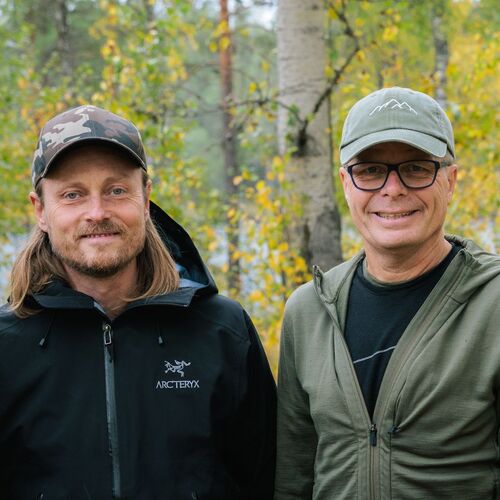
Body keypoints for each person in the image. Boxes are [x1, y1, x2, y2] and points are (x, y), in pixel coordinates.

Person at [0, 105, 276, 499]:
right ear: (41, 210)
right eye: (73, 195)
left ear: (145, 199)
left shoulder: (222, 332)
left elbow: (268, 481)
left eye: (116, 190)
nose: (97, 212)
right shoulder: (7, 347)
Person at [274, 87, 499, 499]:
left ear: (450, 181)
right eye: (370, 170)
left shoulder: (493, 304)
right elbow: (293, 479)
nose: (392, 189)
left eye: (416, 168)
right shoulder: (308, 312)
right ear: (345, 183)